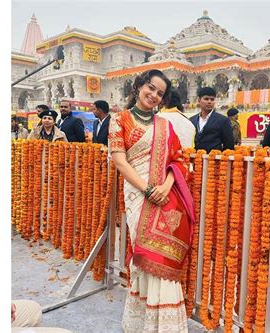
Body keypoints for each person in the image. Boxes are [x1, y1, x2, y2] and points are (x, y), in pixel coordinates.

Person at [108, 69, 194, 332]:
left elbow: (179, 160)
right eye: (151, 88)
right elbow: (119, 161)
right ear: (138, 86)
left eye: (160, 93)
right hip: (137, 195)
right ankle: (143, 322)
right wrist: (147, 189)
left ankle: (165, 324)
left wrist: (166, 188)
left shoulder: (165, 126)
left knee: (163, 257)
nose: (154, 95)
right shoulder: (119, 120)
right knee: (144, 253)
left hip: (164, 197)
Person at [189, 87, 234, 153]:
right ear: (199, 100)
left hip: (213, 160)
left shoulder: (223, 120)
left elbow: (229, 146)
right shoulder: (192, 120)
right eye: (206, 99)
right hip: (195, 160)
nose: (209, 102)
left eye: (212, 99)